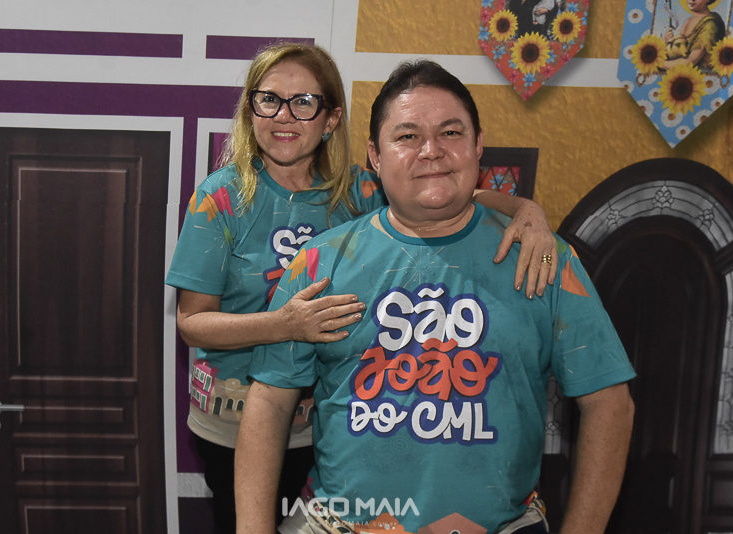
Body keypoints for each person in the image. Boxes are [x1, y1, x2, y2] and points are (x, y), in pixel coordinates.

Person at [166, 44, 558, 532]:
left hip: (325, 427)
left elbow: (445, 189)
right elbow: (192, 323)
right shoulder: (219, 198)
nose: (284, 116)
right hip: (236, 425)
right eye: (269, 100)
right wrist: (284, 324)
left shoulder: (358, 190)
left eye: (303, 102)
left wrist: (526, 211)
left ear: (330, 119)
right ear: (251, 111)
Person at [235, 59, 636, 534]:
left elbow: (609, 402)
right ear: (375, 156)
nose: (432, 151)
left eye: (450, 132)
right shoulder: (320, 262)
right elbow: (269, 402)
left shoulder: (543, 258)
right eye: (407, 136)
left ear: (478, 145)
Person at [662, 0, 725, 71]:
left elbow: (690, 61)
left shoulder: (710, 25)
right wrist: (668, 42)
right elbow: (679, 51)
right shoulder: (688, 21)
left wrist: (659, 63)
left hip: (700, 73)